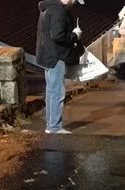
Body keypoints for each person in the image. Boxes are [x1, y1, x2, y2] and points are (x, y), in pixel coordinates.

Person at [36, 0, 85, 134]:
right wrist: (75, 35)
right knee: (57, 92)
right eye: (74, 0)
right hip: (57, 56)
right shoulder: (59, 11)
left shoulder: (48, 9)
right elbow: (58, 36)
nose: (74, 3)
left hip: (47, 56)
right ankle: (55, 127)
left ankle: (51, 125)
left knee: (51, 92)